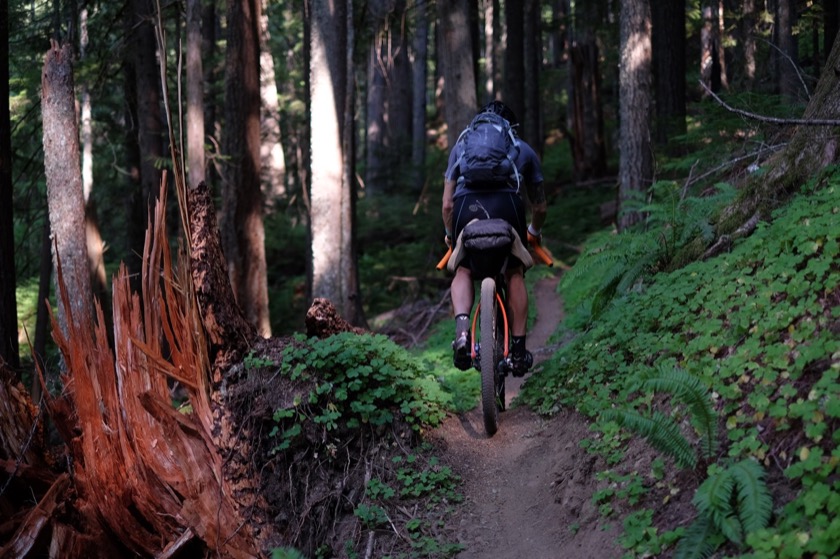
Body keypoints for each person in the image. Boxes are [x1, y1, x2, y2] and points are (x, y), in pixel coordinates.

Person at [442, 100, 548, 376]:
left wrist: (451, 238)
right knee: (513, 271)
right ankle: (517, 349)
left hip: (467, 208)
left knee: (463, 269)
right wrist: (533, 234)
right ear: (508, 128)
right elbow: (540, 206)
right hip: (507, 208)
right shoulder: (521, 148)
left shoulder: (461, 146)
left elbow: (446, 205)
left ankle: (463, 333)